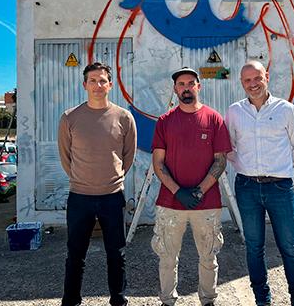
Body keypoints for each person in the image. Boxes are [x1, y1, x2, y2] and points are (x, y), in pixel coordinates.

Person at [225, 60, 294, 306]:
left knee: (290, 247)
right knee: (254, 246)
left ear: (267, 77)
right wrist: (246, 167)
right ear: (242, 83)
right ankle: (262, 299)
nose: (253, 84)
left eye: (257, 78)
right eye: (247, 80)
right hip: (247, 188)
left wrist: (279, 169)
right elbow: (229, 148)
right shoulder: (234, 112)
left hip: (280, 188)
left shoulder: (286, 110)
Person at [150, 67, 232, 306]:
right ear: (175, 89)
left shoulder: (214, 119)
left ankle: (208, 300)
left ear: (199, 86)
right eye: (181, 84)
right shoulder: (165, 121)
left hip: (206, 203)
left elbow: (220, 161)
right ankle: (167, 300)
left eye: (190, 83)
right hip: (170, 203)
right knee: (167, 257)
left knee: (208, 257)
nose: (186, 88)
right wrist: (178, 191)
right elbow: (158, 162)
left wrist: (199, 191)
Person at [57, 62, 137, 306]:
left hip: (112, 196)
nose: (98, 85)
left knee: (116, 253)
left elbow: (128, 156)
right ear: (85, 85)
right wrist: (82, 179)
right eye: (92, 80)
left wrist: (112, 178)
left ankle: (118, 299)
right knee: (75, 254)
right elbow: (65, 157)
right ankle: (71, 300)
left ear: (110, 85)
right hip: (79, 197)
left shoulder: (124, 117)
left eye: (102, 80)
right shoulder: (70, 117)